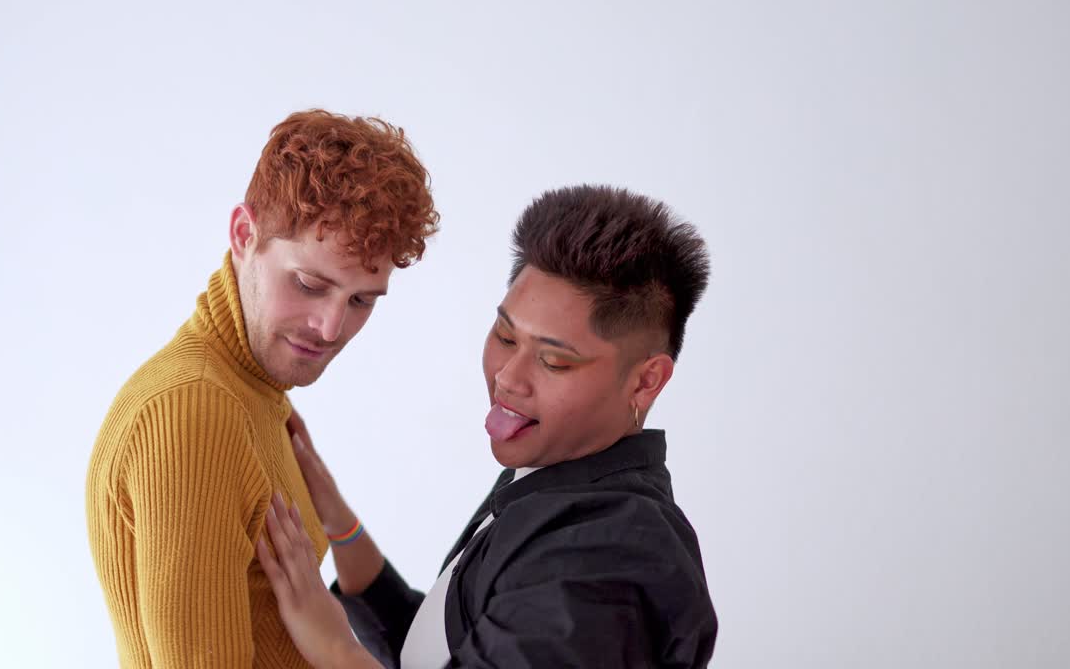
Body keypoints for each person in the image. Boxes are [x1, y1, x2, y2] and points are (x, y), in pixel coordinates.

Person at [258, 184, 718, 668]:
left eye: (554, 361)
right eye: (505, 336)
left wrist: (334, 646)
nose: (508, 378)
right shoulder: (553, 475)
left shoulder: (603, 563)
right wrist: (338, 522)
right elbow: (446, 650)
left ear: (646, 382)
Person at [86, 109, 439, 668]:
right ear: (243, 235)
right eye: (309, 284)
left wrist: (338, 523)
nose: (331, 327)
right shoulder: (193, 410)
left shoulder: (255, 391)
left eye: (360, 300)